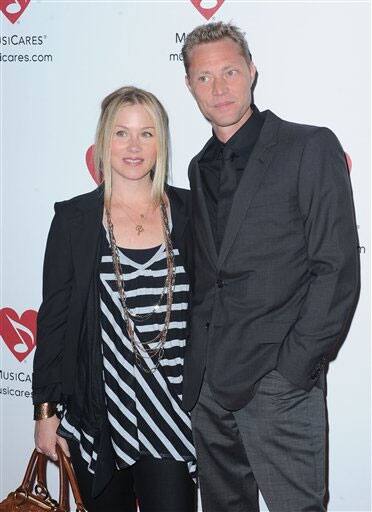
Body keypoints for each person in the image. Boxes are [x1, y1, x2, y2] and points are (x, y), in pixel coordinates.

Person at [181, 21, 360, 512]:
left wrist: (294, 369)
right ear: (189, 85)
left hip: (279, 385)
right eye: (204, 77)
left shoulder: (309, 146)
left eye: (230, 72)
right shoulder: (198, 168)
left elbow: (337, 268)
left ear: (253, 71)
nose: (219, 88)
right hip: (209, 391)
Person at [32, 86, 197, 512]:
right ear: (104, 141)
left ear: (161, 142)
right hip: (101, 415)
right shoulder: (75, 220)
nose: (134, 146)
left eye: (147, 134)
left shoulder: (191, 211)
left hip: (174, 414)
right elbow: (54, 320)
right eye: (122, 133)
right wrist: (46, 411)